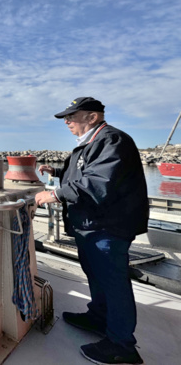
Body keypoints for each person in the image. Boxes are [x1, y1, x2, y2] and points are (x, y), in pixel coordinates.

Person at [35, 97, 148, 365]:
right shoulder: (93, 142)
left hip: (107, 227)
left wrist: (55, 195)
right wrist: (59, 172)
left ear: (93, 117)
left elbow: (100, 181)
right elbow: (84, 172)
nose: (67, 121)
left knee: (113, 281)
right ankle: (99, 316)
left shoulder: (112, 140)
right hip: (90, 225)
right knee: (95, 274)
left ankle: (122, 345)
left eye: (72, 116)